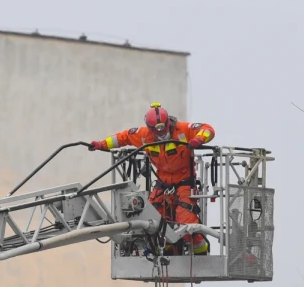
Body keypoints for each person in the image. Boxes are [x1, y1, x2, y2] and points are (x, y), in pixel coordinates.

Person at [90, 103, 215, 255]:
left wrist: (198, 140)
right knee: (154, 218)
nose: (162, 135)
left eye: (164, 130)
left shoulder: (183, 130)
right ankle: (167, 250)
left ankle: (200, 251)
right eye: (157, 132)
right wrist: (101, 144)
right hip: (163, 185)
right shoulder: (143, 136)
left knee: (186, 222)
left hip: (185, 183)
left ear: (169, 123)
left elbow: (208, 129)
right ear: (150, 129)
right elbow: (122, 138)